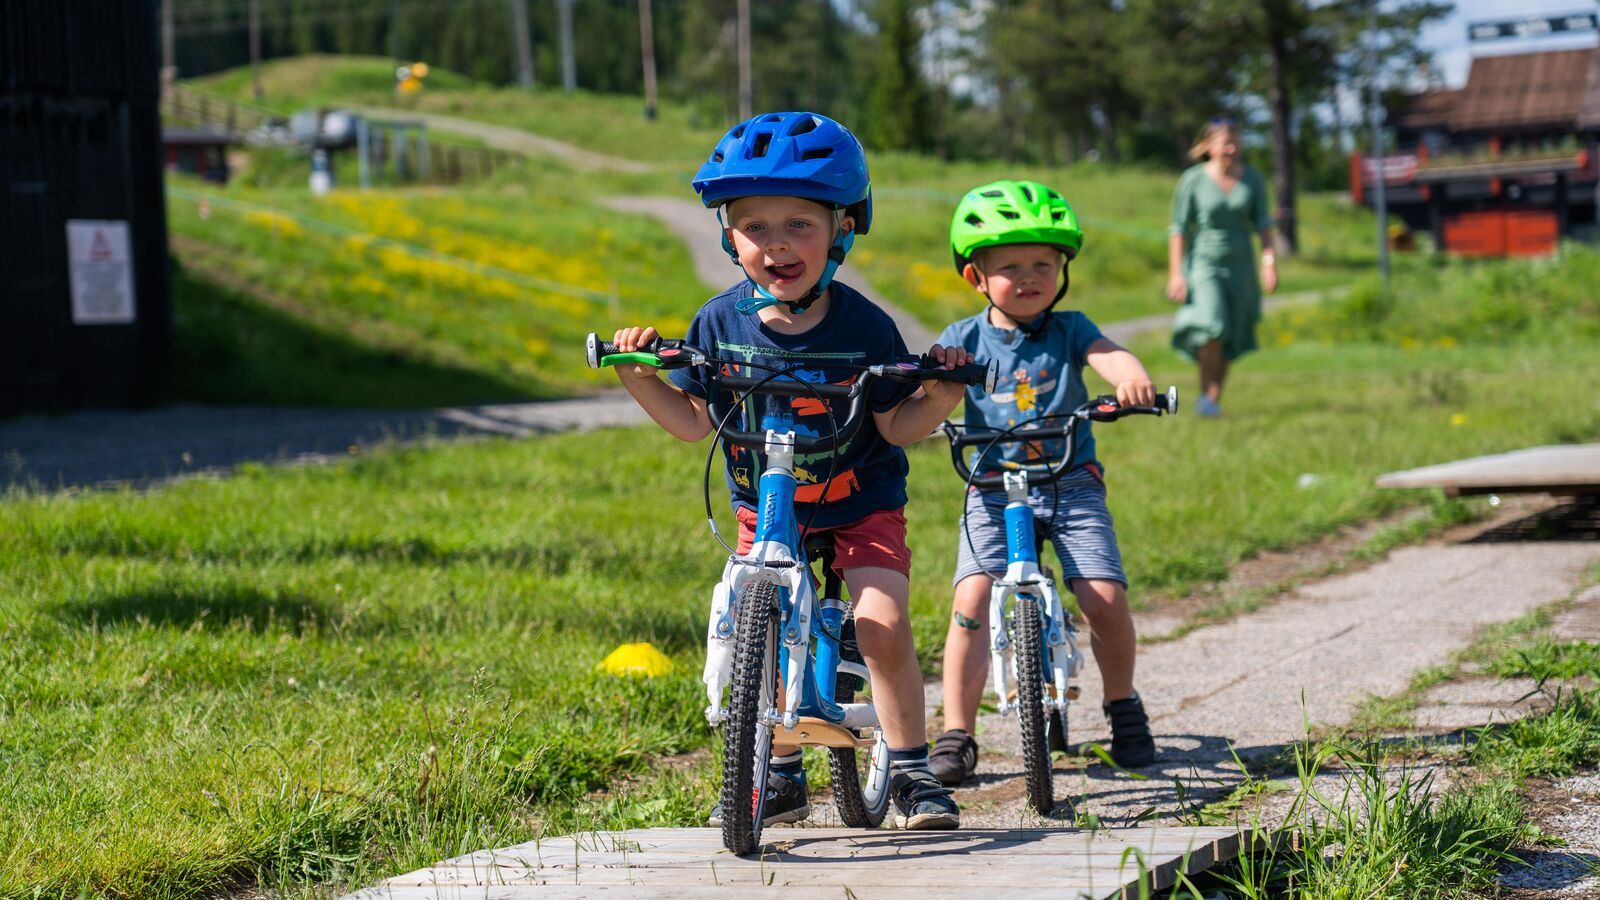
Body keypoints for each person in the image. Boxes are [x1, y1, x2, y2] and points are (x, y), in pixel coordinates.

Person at [609, 111, 968, 830]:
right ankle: (776, 774)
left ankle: (913, 769)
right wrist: (635, 372)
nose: (776, 242)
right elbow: (691, 423)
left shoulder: (865, 327)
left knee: (882, 621)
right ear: (727, 235)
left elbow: (896, 426)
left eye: (799, 224)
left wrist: (944, 391)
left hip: (860, 500)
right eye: (753, 225)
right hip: (764, 506)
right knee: (760, 623)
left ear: (842, 228)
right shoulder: (719, 323)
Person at [927, 179, 1158, 786]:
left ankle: (1123, 705)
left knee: (1104, 598)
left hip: (1069, 481)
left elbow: (1112, 356)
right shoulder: (962, 339)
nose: (1029, 277)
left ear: (1062, 270)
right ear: (975, 277)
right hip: (991, 484)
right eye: (1010, 267)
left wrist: (1131, 378)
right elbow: (932, 380)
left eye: (1043, 264)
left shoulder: (1072, 329)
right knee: (971, 602)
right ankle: (957, 730)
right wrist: (927, 384)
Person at [1166, 118, 1277, 418]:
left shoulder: (1251, 179)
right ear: (1209, 147)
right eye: (1225, 142)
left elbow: (1263, 225)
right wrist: (1176, 273)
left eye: (1235, 142)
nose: (1231, 148)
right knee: (1212, 325)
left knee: (1231, 330)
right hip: (1204, 260)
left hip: (1241, 263)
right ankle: (1206, 393)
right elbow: (1179, 229)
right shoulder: (1193, 180)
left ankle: (1212, 398)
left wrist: (1269, 262)